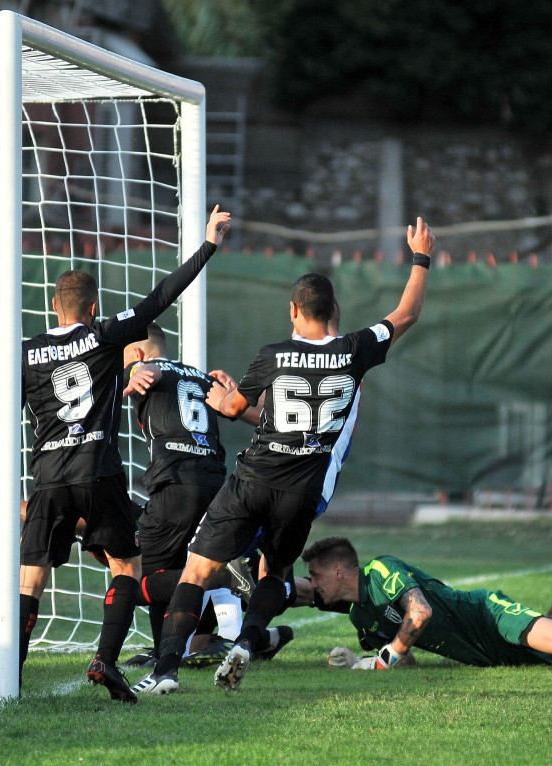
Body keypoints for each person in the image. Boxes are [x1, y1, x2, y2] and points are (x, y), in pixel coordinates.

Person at [133, 217, 436, 695]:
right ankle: (247, 643)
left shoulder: (273, 355)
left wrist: (225, 396)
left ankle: (165, 670)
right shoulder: (354, 350)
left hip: (253, 478)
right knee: (274, 574)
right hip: (303, 491)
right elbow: (407, 313)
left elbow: (235, 408)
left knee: (198, 570)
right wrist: (420, 257)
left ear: (294, 311)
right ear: (333, 309)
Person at [17, 205, 231, 703]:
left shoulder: (26, 352)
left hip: (47, 473)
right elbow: (161, 296)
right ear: (93, 309)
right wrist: (208, 247)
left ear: (54, 307)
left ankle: (7, 671)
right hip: (98, 470)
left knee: (31, 579)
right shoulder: (105, 335)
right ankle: (106, 661)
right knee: (127, 568)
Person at [118, 325, 287, 668]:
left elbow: (137, 373)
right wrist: (241, 393)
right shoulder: (200, 376)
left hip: (175, 485)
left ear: (136, 353)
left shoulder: (142, 367)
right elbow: (254, 416)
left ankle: (229, 575)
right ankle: (170, 649)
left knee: (132, 582)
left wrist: (132, 373)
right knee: (183, 571)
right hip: (214, 485)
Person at [302, 536, 552, 672]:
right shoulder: (360, 618)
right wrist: (361, 662)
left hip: (485, 615)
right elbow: (404, 659)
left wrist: (383, 660)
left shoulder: (380, 571)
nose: (313, 585)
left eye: (315, 576)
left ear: (338, 571)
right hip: (478, 652)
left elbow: (420, 613)